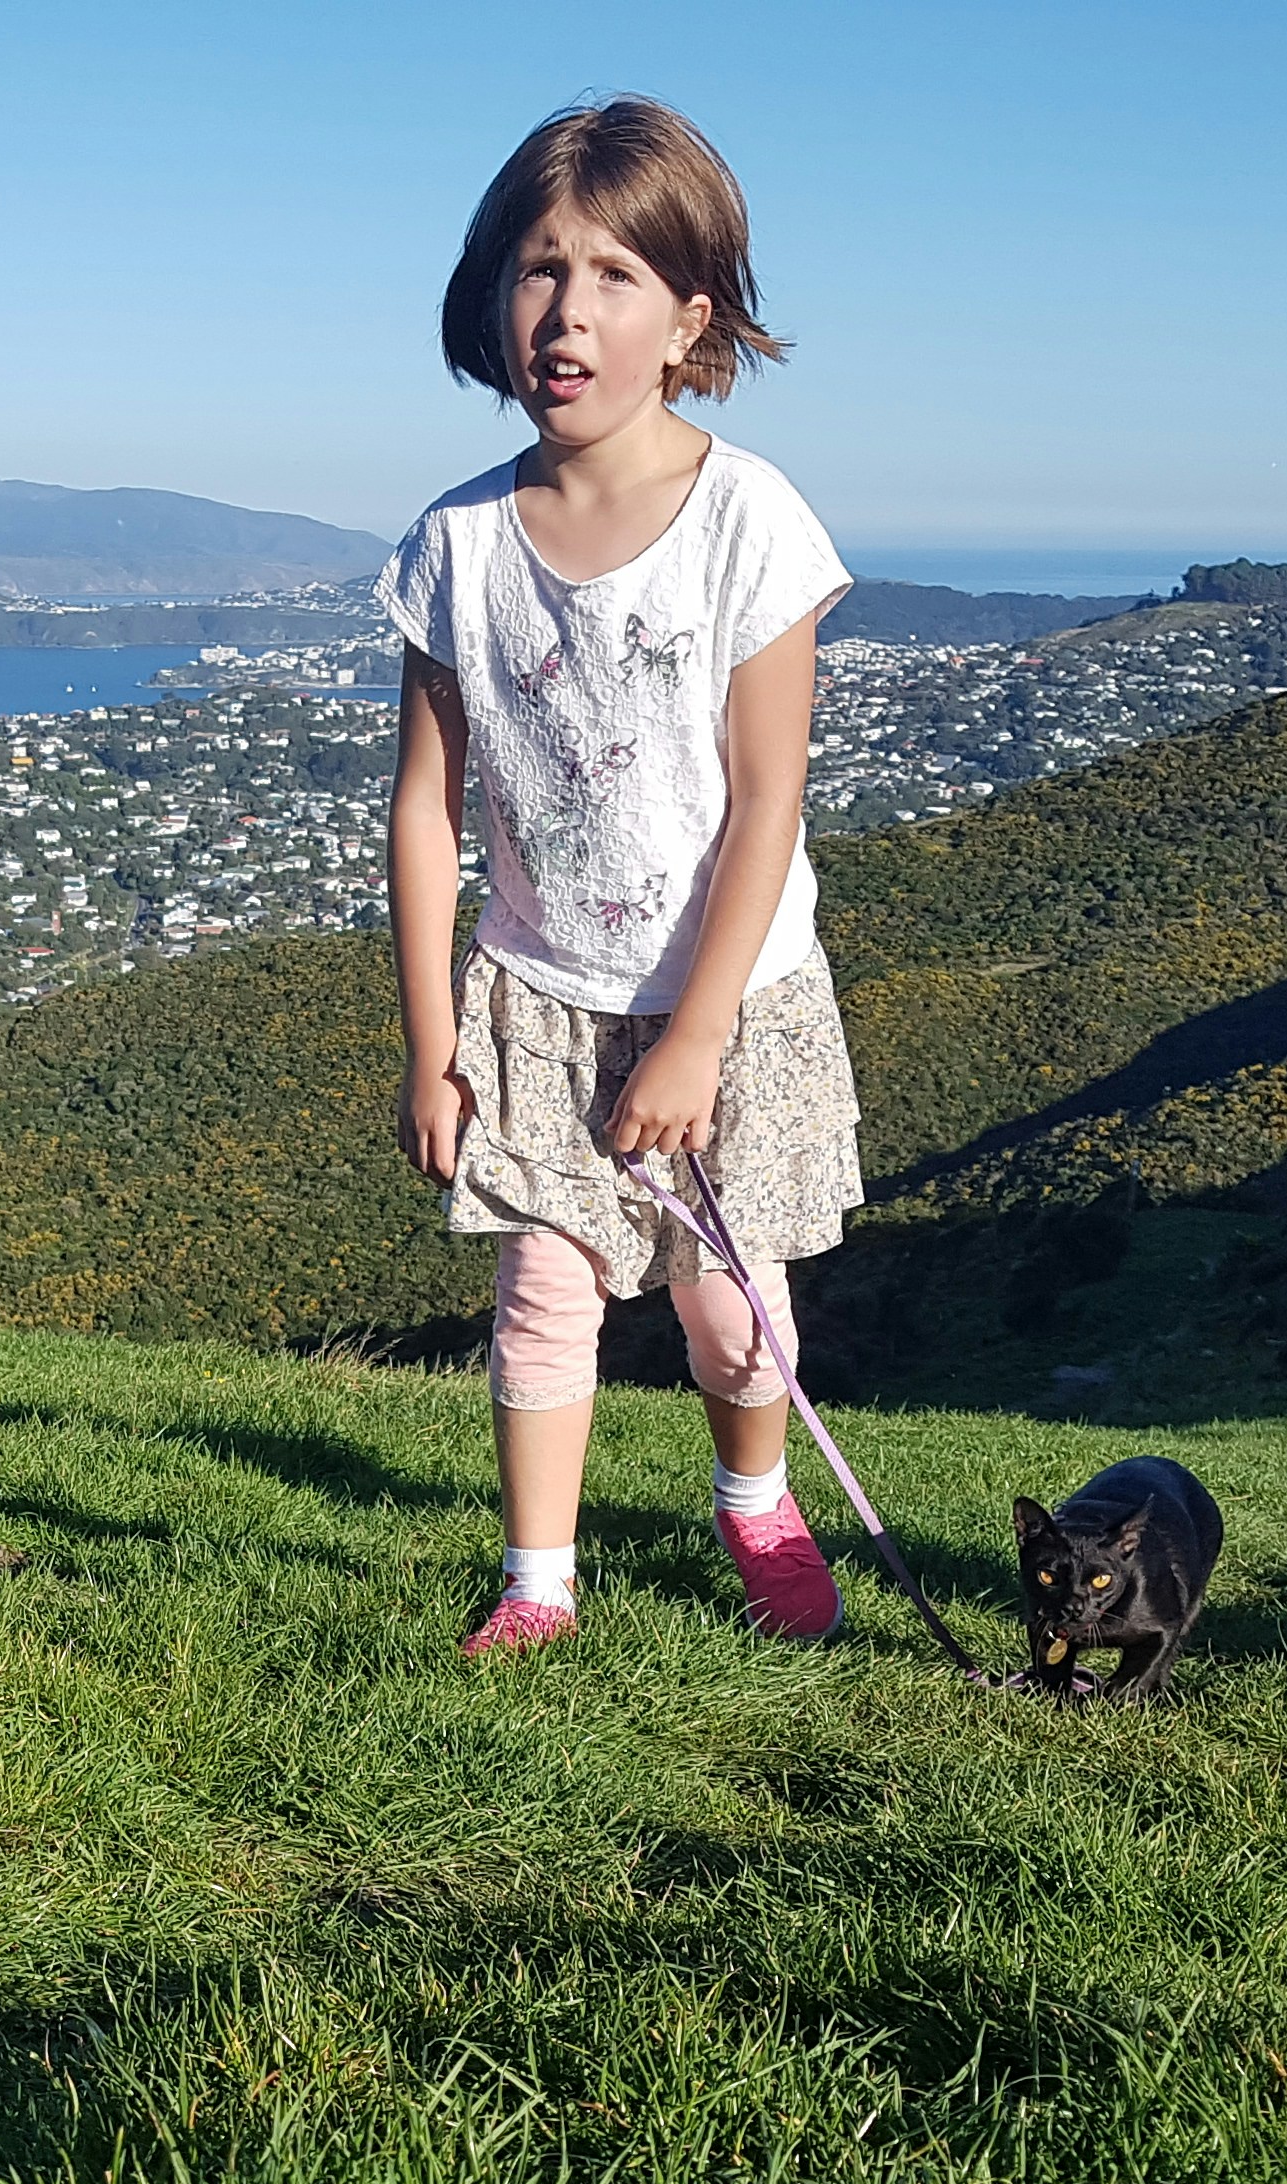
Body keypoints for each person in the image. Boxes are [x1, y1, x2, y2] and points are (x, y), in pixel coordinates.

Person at [382, 99, 862, 1661]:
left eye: (613, 276)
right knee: (542, 1297)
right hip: (539, 995)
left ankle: (753, 1497)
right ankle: (540, 1590)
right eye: (536, 270)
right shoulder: (454, 546)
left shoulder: (749, 523)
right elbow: (427, 810)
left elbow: (770, 800)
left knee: (735, 1326)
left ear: (689, 320)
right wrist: (429, 1047)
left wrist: (701, 1031)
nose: (566, 312)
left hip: (729, 1000)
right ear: (489, 297)